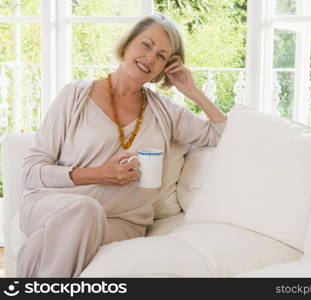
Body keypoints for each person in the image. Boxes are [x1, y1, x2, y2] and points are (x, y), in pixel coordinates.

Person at [16, 13, 227, 278]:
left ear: (165, 67)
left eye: (162, 56)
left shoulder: (166, 111)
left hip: (120, 222)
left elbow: (223, 134)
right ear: (127, 44)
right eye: (146, 45)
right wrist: (98, 173)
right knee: (83, 211)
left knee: (72, 227)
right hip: (51, 204)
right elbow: (30, 171)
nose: (150, 57)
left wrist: (192, 91)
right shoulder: (75, 95)